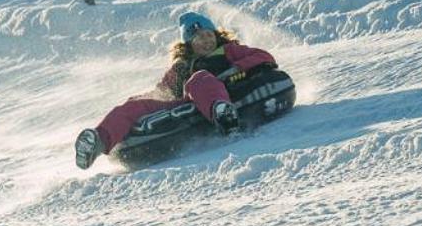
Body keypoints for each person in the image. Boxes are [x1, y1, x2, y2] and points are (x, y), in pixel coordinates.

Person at [75, 11, 279, 169]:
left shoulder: (228, 50)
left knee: (199, 79)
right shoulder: (181, 67)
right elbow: (163, 92)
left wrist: (235, 69)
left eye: (209, 34)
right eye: (199, 37)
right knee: (132, 105)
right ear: (189, 44)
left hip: (223, 90)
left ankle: (224, 116)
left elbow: (264, 56)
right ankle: (97, 142)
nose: (206, 40)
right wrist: (141, 101)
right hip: (187, 103)